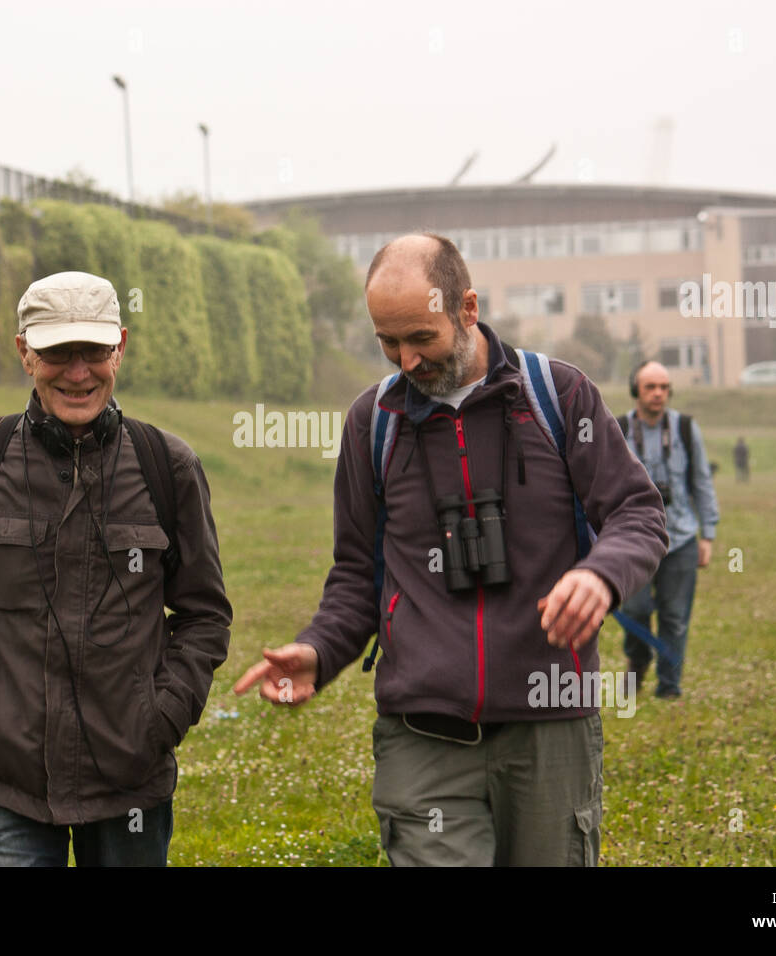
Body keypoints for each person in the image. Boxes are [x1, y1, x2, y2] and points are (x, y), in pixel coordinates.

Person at [234, 234, 667, 866]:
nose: (405, 361)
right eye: (388, 342)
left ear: (466, 308)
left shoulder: (559, 396)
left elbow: (638, 511)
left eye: (420, 338)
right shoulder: (372, 421)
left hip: (549, 726)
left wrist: (601, 576)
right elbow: (357, 573)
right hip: (421, 739)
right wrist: (319, 650)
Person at [0, 271, 232, 866]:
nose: (78, 373)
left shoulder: (168, 465)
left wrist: (162, 717)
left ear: (120, 348)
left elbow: (205, 615)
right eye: (56, 352)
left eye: (94, 351)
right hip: (3, 782)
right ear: (24, 351)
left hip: (131, 783)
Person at [618, 361, 721, 699]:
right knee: (633, 610)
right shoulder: (616, 430)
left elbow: (702, 482)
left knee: (675, 617)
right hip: (632, 540)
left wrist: (708, 533)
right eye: (650, 387)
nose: (658, 393)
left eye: (664, 387)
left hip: (680, 537)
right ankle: (639, 657)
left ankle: (669, 688)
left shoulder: (687, 429)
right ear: (637, 391)